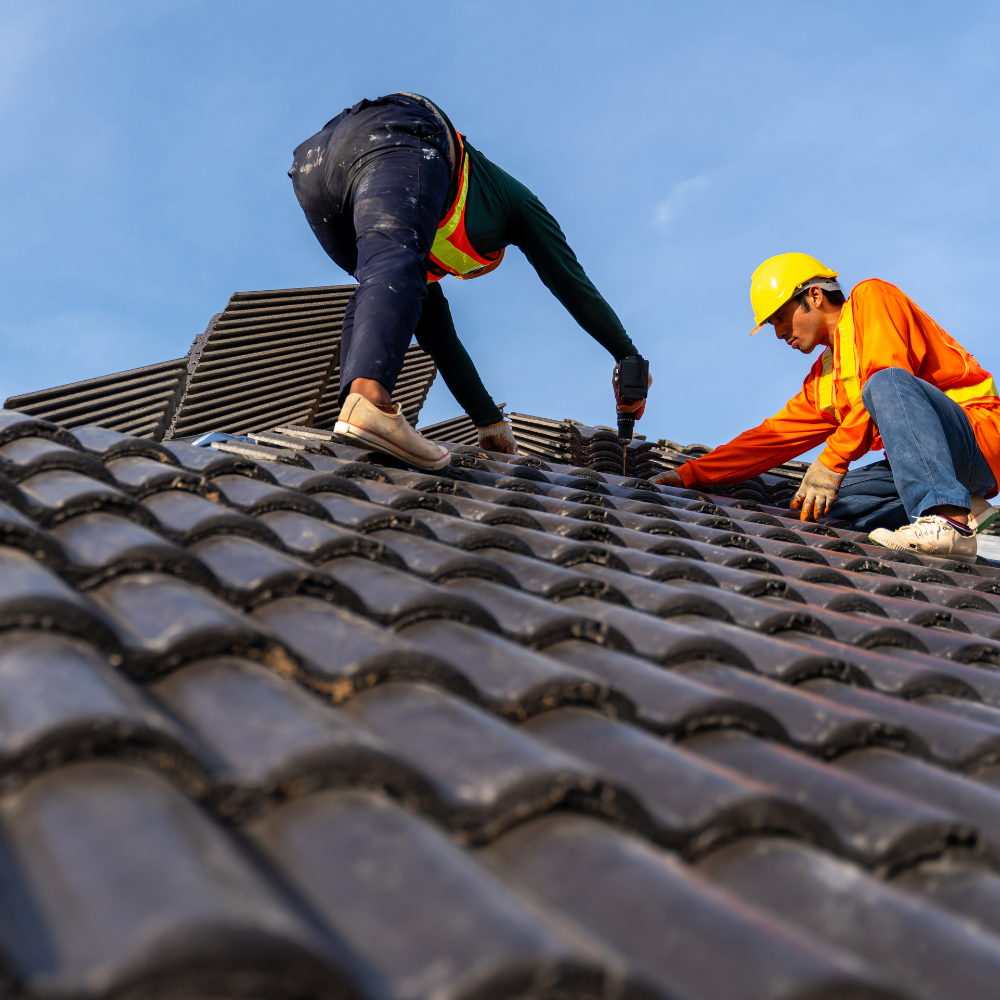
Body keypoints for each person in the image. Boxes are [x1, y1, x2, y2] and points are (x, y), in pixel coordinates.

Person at [289, 93, 647, 469]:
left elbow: (441, 339)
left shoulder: (419, 234)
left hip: (315, 169)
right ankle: (369, 400)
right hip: (400, 131)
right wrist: (627, 355)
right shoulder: (515, 203)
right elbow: (571, 281)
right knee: (397, 267)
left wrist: (489, 421)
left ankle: (353, 414)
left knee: (378, 289)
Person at [652, 252, 1000, 564]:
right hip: (937, 466)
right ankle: (965, 509)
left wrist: (832, 460)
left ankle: (948, 518)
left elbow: (886, 375)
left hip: (978, 439)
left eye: (780, 317)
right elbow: (768, 439)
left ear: (814, 296)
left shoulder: (872, 298)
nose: (778, 333)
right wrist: (690, 475)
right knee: (820, 505)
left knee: (884, 383)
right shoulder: (825, 381)